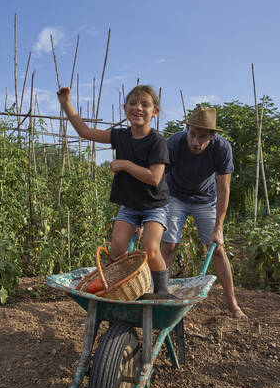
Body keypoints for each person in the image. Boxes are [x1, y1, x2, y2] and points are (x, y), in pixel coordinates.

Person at [57, 84, 172, 297]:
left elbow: (155, 178)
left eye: (145, 104)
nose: (138, 107)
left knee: (150, 248)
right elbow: (85, 131)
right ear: (125, 108)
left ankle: (162, 292)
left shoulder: (158, 142)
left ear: (155, 111)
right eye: (133, 103)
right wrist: (66, 105)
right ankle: (127, 288)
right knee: (118, 248)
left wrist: (125, 164)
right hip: (129, 205)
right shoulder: (120, 136)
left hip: (154, 206)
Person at [161, 105, 248, 319]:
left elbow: (223, 188)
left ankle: (233, 305)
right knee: (169, 245)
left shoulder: (222, 148)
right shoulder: (173, 143)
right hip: (175, 195)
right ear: (187, 128)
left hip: (206, 200)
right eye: (192, 134)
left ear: (213, 135)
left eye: (202, 137)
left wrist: (218, 228)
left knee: (217, 248)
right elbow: (159, 179)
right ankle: (161, 298)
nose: (195, 142)